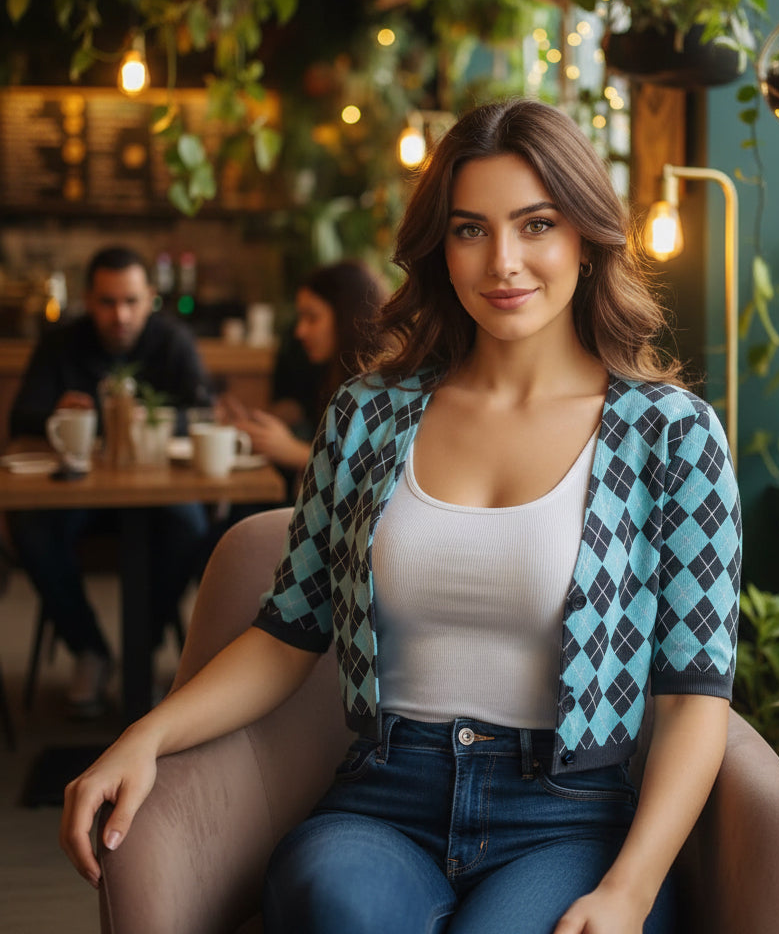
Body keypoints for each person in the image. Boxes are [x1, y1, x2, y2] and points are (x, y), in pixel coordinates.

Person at [60, 99, 741, 934]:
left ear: (586, 239)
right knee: (334, 904)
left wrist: (630, 890)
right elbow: (286, 635)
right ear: (440, 250)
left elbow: (692, 699)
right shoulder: (367, 415)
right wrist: (145, 735)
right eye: (470, 230)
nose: (505, 262)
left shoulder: (671, 436)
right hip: (386, 799)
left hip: (569, 817)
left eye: (536, 224)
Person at [9, 245, 213, 718]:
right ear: (88, 299)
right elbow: (22, 417)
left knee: (190, 524)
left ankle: (140, 652)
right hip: (79, 492)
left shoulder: (172, 341)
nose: (119, 314)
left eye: (131, 301)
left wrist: (155, 419)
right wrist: (58, 415)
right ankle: (91, 651)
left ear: (149, 299)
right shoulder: (60, 343)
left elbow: (203, 412)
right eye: (107, 302)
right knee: (31, 529)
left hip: (156, 492)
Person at [221, 260, 388, 476]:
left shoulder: (380, 384)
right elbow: (299, 410)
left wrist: (292, 450)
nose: (300, 331)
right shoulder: (326, 368)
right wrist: (253, 423)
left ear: (349, 318)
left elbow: (367, 470)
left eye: (312, 317)